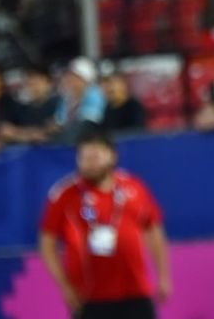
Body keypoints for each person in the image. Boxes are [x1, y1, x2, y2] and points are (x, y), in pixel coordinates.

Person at [39, 129, 171, 319]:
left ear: (112, 155)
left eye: (94, 157)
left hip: (136, 292)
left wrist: (163, 275)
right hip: (89, 297)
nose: (89, 164)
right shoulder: (64, 195)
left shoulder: (133, 187)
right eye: (83, 158)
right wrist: (65, 285)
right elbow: (47, 245)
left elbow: (154, 230)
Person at [58, 57, 108, 142]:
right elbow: (59, 122)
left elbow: (88, 122)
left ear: (85, 79)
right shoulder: (67, 98)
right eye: (68, 76)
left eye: (74, 77)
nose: (69, 79)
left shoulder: (95, 94)